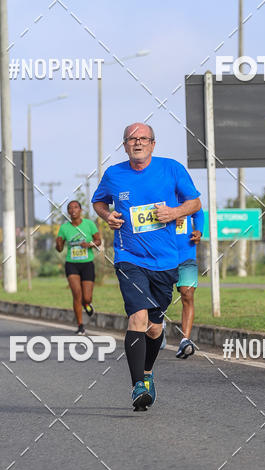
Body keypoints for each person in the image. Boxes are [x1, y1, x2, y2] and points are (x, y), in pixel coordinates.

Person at [92, 122, 201, 411]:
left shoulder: (172, 168)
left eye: (143, 138)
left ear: (153, 143)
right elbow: (98, 202)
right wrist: (108, 217)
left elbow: (195, 203)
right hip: (129, 258)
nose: (137, 143)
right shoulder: (114, 174)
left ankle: (148, 373)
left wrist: (174, 212)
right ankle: (137, 385)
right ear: (125, 145)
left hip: (166, 261)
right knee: (137, 319)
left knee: (154, 328)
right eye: (131, 139)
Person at [55, 200, 101, 335]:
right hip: (72, 264)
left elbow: (99, 240)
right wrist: (58, 243)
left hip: (87, 263)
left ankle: (87, 304)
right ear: (68, 212)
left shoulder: (89, 224)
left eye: (76, 207)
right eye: (70, 208)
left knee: (86, 298)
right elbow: (59, 249)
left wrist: (90, 244)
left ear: (80, 210)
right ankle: (80, 325)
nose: (73, 210)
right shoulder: (64, 228)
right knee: (76, 294)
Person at [174, 207, 204, 358]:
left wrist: (199, 231)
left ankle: (185, 340)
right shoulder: (158, 190)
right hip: (162, 255)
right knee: (160, 298)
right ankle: (158, 329)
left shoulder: (187, 195)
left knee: (187, 294)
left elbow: (198, 212)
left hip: (186, 254)